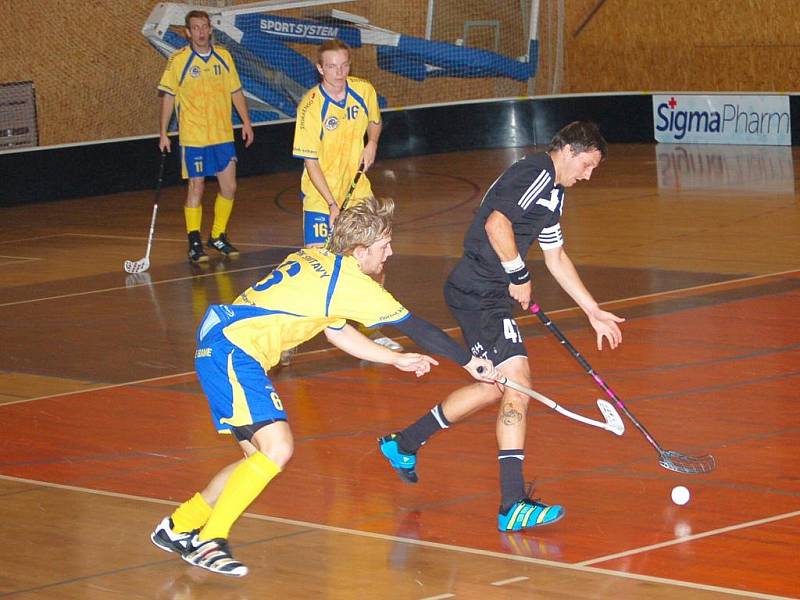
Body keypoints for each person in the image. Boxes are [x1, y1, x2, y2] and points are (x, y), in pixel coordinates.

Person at [149, 196, 497, 577]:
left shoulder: (314, 255)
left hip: (219, 343)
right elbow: (418, 328)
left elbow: (336, 331)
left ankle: (180, 525)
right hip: (235, 350)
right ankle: (211, 540)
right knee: (279, 447)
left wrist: (394, 359)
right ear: (360, 250)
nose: (390, 253)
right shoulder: (351, 284)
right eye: (384, 247)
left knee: (257, 459)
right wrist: (470, 362)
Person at [378, 121, 625, 532]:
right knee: (518, 383)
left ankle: (403, 444)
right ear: (567, 150)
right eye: (587, 164)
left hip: (483, 294)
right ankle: (512, 503)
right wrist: (516, 273)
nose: (587, 174)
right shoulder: (536, 173)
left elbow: (556, 256)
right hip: (480, 294)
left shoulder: (553, 193)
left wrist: (592, 309)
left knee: (493, 386)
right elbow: (496, 223)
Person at [290, 38, 401, 357]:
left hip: (359, 192)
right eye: (332, 67)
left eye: (345, 65)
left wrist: (372, 144)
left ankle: (372, 327)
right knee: (319, 266)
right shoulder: (310, 107)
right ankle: (295, 329)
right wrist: (332, 204)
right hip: (320, 197)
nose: (340, 72)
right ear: (320, 68)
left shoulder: (363, 91)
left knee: (376, 262)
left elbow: (375, 123)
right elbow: (310, 162)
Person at [158, 9, 254, 263]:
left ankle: (218, 235)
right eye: (196, 28)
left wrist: (246, 122)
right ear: (188, 32)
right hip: (194, 137)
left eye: (205, 27)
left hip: (222, 134)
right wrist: (164, 132)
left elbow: (236, 91)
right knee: (196, 186)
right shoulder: (178, 60)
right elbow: (168, 97)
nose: (201, 32)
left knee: (229, 187)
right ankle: (194, 241)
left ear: (210, 29)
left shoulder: (223, 57)